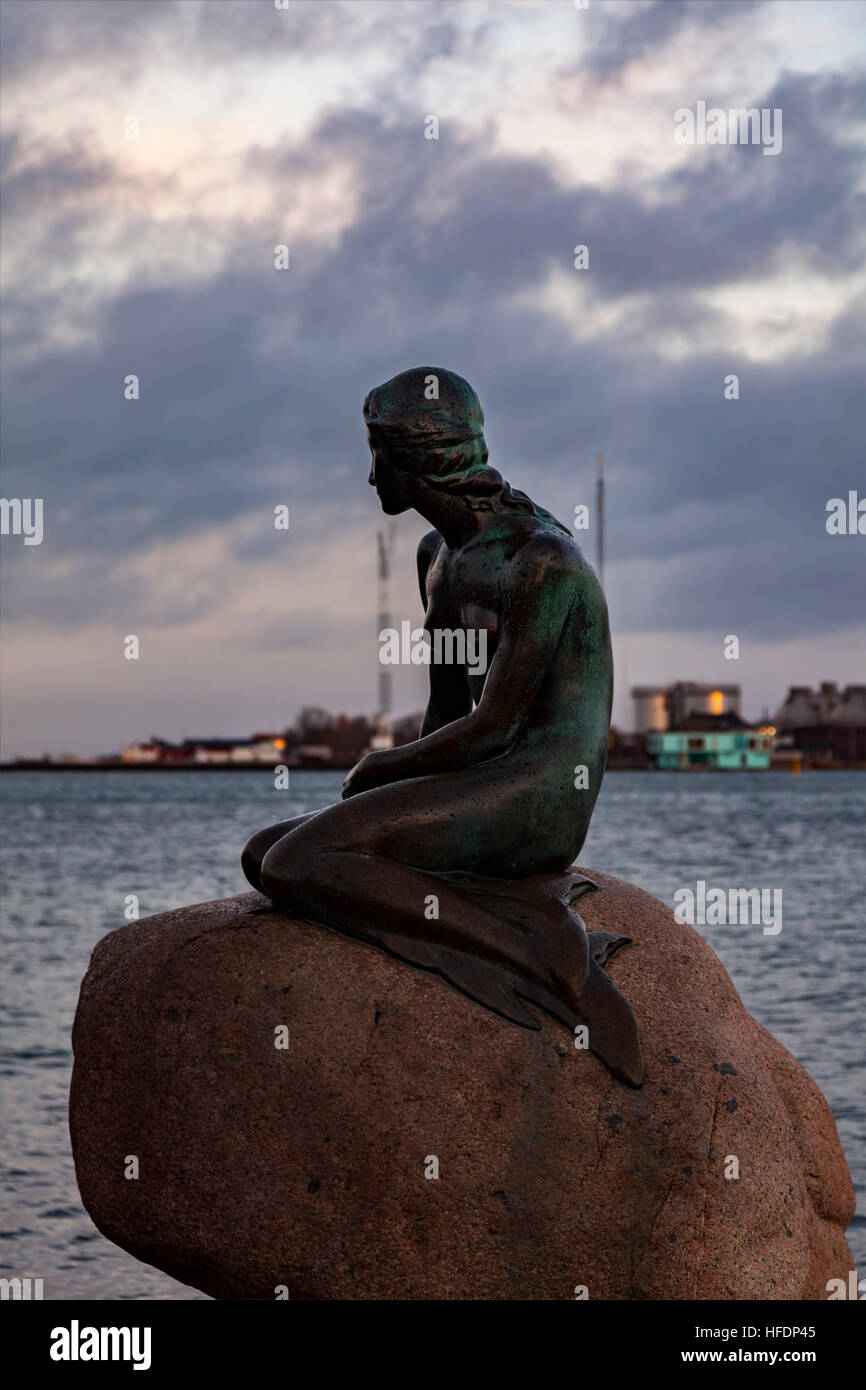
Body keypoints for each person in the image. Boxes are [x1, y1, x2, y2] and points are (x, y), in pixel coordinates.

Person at [242, 367, 642, 1085]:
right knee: (266, 853)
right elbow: (446, 714)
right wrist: (382, 797)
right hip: (483, 777)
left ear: (419, 458)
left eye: (376, 455)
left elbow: (491, 730)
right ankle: (491, 910)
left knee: (294, 864)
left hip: (539, 790)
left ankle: (537, 947)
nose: (370, 478)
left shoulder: (541, 562)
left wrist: (376, 772)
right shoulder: (439, 559)